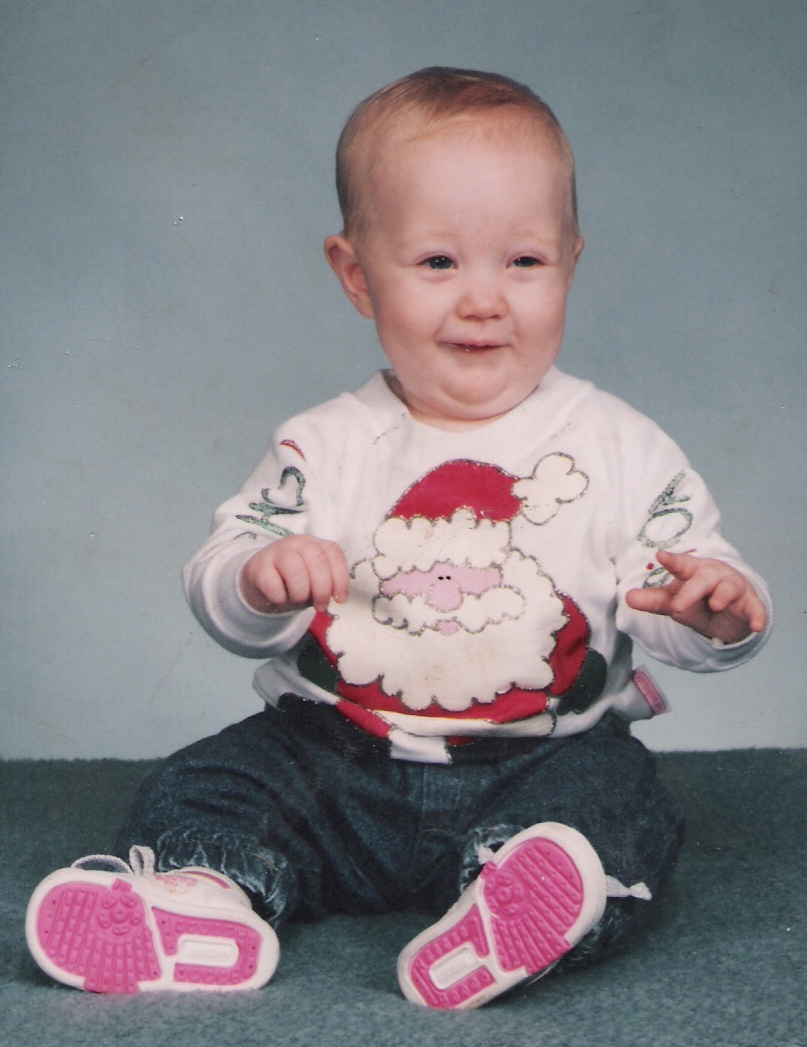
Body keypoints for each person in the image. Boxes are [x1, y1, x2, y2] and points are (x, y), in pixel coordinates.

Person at [26, 67, 771, 1009]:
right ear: (354, 275)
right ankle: (203, 901)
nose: (484, 300)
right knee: (204, 785)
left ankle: (525, 898)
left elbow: (671, 590)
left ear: (571, 264)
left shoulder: (620, 446)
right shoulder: (324, 443)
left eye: (524, 262)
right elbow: (220, 571)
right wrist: (259, 580)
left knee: (618, 803)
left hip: (540, 760)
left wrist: (712, 608)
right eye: (437, 263)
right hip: (333, 757)